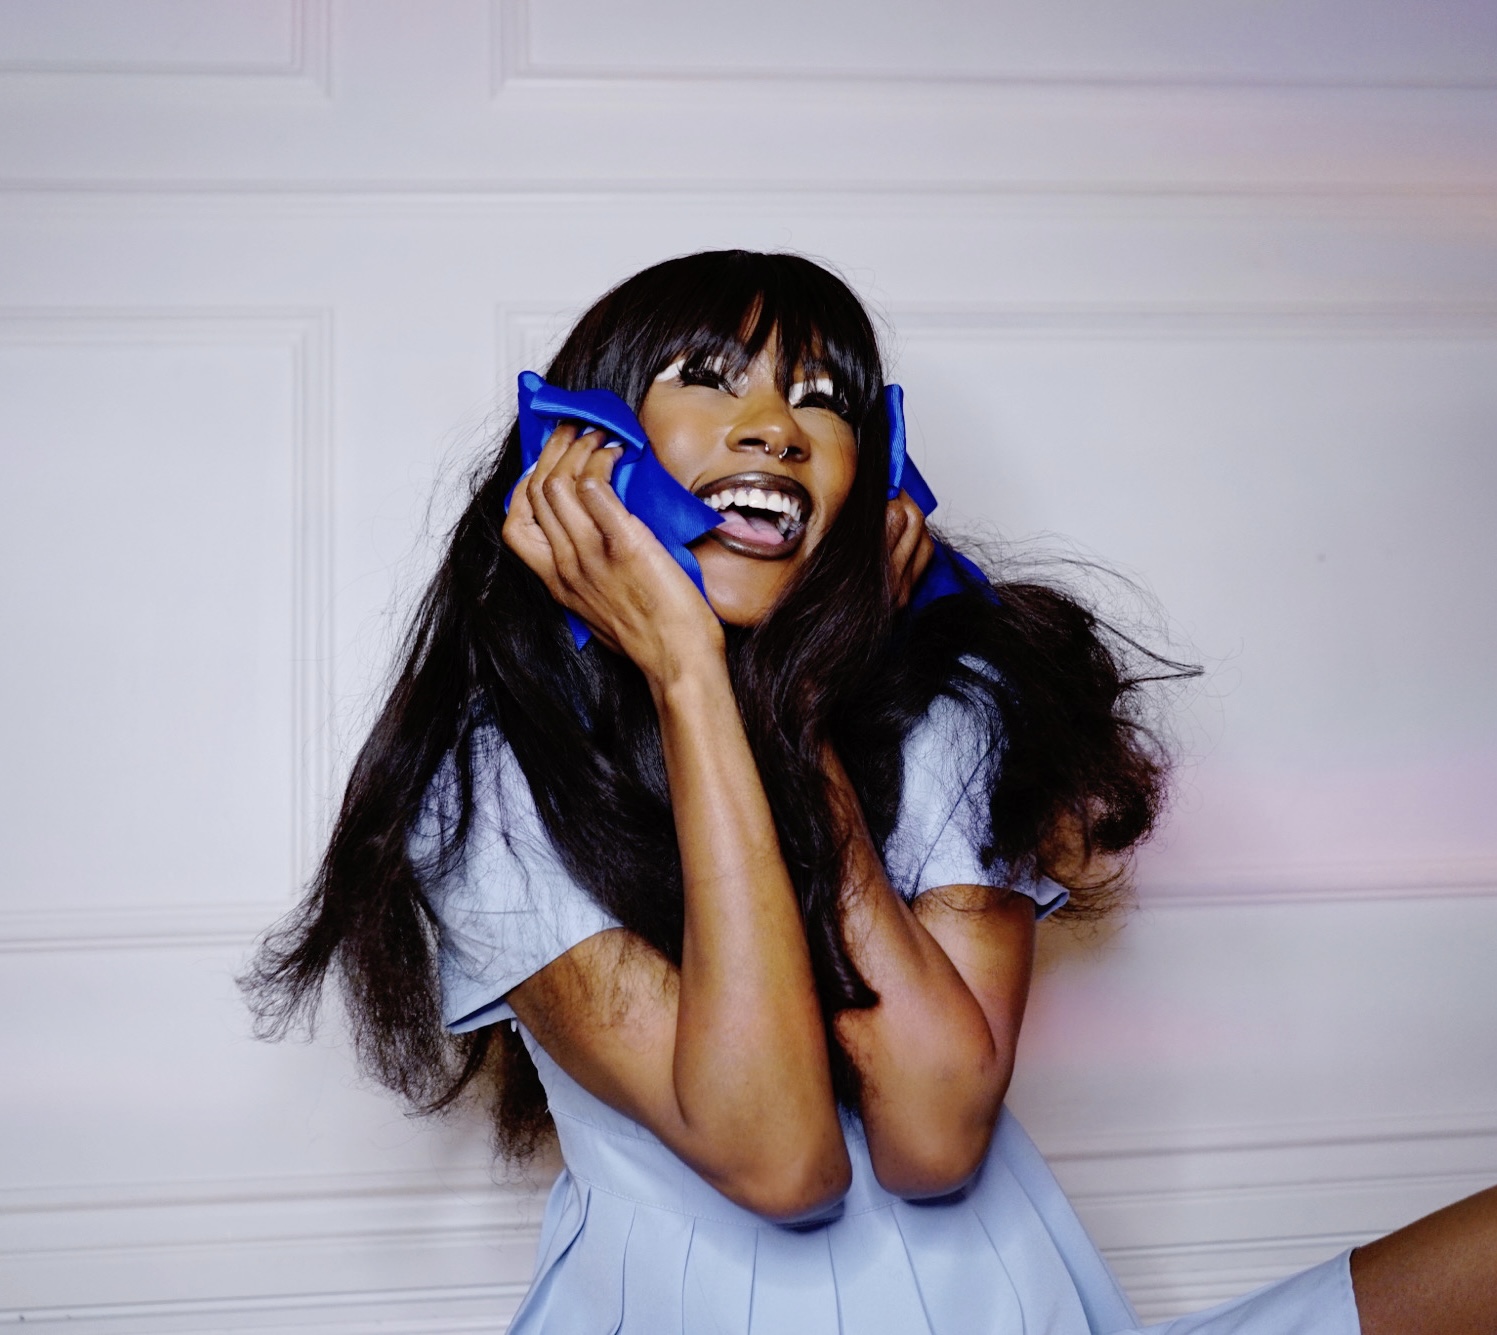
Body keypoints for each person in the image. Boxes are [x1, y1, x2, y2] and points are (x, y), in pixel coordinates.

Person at [246, 250, 1496, 1334]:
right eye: (708, 377)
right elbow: (779, 1157)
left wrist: (790, 720)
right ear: (580, 448)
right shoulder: (494, 776)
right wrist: (689, 675)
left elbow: (935, 1134)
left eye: (822, 401)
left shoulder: (947, 713)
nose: (776, 428)